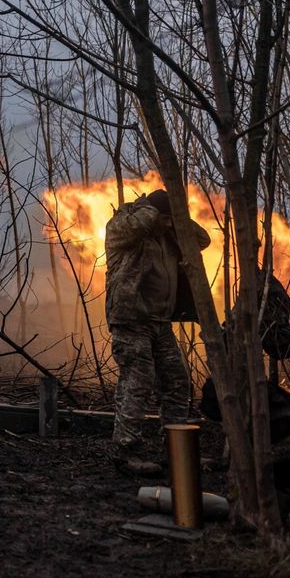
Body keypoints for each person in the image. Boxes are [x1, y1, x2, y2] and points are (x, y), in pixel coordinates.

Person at [104, 188, 211, 475]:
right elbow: (139, 223)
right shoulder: (123, 226)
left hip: (160, 323)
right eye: (164, 218)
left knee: (177, 382)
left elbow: (203, 239)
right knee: (138, 383)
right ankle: (125, 454)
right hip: (131, 320)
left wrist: (177, 215)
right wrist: (151, 209)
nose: (166, 224)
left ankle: (177, 451)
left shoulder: (170, 233)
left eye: (169, 219)